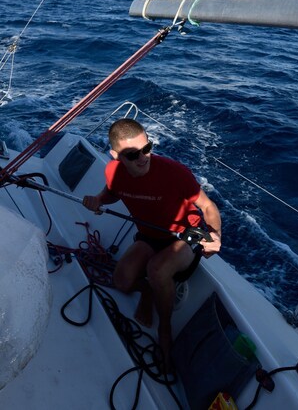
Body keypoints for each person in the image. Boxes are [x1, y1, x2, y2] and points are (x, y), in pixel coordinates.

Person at [83, 118, 221, 370]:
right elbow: (112, 193)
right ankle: (148, 291)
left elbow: (208, 206)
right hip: (150, 235)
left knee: (156, 269)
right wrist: (98, 200)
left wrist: (214, 235)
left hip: (187, 234)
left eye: (147, 148)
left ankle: (165, 328)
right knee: (121, 281)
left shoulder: (175, 173)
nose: (143, 157)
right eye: (133, 154)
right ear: (116, 156)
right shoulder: (113, 172)